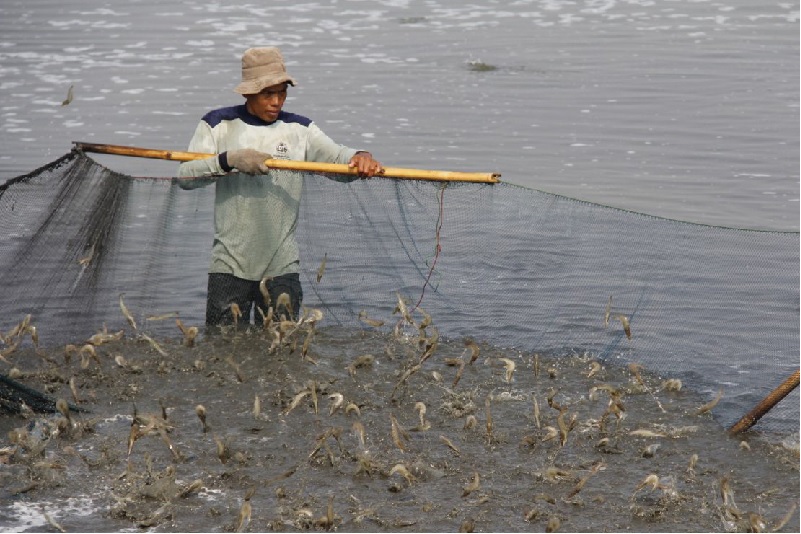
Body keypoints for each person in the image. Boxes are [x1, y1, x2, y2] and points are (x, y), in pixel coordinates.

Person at [177, 47, 383, 326]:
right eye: (267, 94)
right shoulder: (217, 125)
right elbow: (186, 177)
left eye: (282, 93)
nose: (276, 102)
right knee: (222, 351)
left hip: (282, 265)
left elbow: (338, 159)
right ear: (248, 93)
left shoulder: (300, 129)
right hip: (229, 264)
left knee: (283, 350)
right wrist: (230, 160)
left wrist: (361, 157)